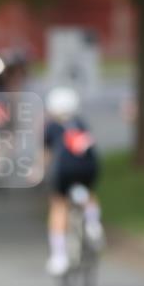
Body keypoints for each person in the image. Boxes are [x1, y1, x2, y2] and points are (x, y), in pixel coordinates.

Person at [42, 86, 102, 276]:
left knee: (59, 205)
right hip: (88, 167)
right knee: (89, 195)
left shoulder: (51, 127)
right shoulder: (81, 123)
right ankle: (93, 224)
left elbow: (47, 155)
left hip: (64, 171)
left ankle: (59, 256)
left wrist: (39, 172)